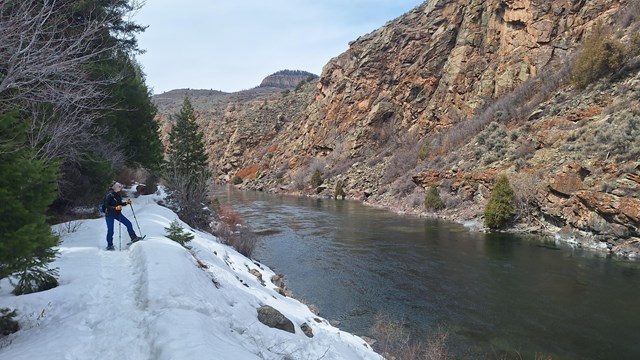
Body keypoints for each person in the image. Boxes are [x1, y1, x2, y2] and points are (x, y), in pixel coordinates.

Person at [103, 182, 139, 250]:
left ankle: (134, 238)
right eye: (119, 187)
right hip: (109, 215)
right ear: (115, 188)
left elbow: (119, 203)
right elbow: (106, 205)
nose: (120, 188)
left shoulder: (118, 194)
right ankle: (110, 245)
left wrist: (126, 203)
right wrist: (115, 208)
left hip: (117, 214)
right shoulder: (109, 195)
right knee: (111, 231)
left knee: (128, 224)